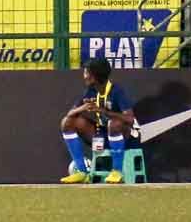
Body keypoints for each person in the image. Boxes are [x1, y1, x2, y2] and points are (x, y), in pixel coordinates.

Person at [58, 56, 136, 184]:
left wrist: (104, 112)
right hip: (103, 135)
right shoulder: (90, 91)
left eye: (86, 72)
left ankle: (117, 171)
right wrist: (83, 107)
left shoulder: (116, 91)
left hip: (126, 138)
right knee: (67, 122)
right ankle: (82, 172)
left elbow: (130, 119)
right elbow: (70, 114)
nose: (84, 76)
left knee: (114, 124)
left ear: (94, 76)